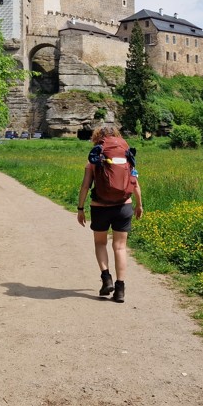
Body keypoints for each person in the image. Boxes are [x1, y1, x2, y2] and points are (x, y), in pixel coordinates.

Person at [76, 125, 143, 303]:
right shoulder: (127, 156)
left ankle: (106, 278)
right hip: (124, 206)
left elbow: (85, 186)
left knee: (100, 243)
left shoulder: (93, 159)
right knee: (120, 247)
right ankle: (120, 289)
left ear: (98, 139)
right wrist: (139, 205)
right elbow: (135, 183)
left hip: (100, 206)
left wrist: (80, 208)